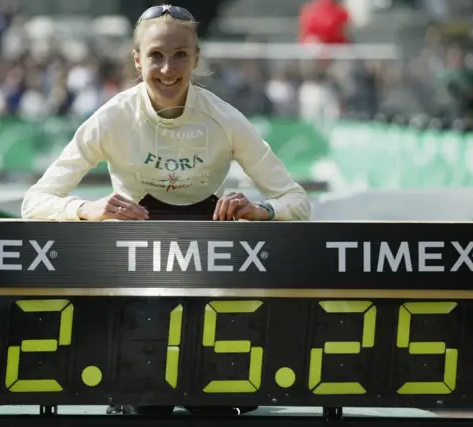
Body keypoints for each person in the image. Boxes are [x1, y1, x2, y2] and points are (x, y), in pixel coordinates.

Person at [20, 3, 312, 415]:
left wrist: (261, 210)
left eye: (180, 55)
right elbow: (33, 203)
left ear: (196, 58)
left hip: (211, 290)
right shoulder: (111, 119)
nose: (167, 69)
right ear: (137, 60)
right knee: (147, 409)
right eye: (155, 55)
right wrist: (88, 209)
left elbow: (297, 202)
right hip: (138, 285)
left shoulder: (226, 120)